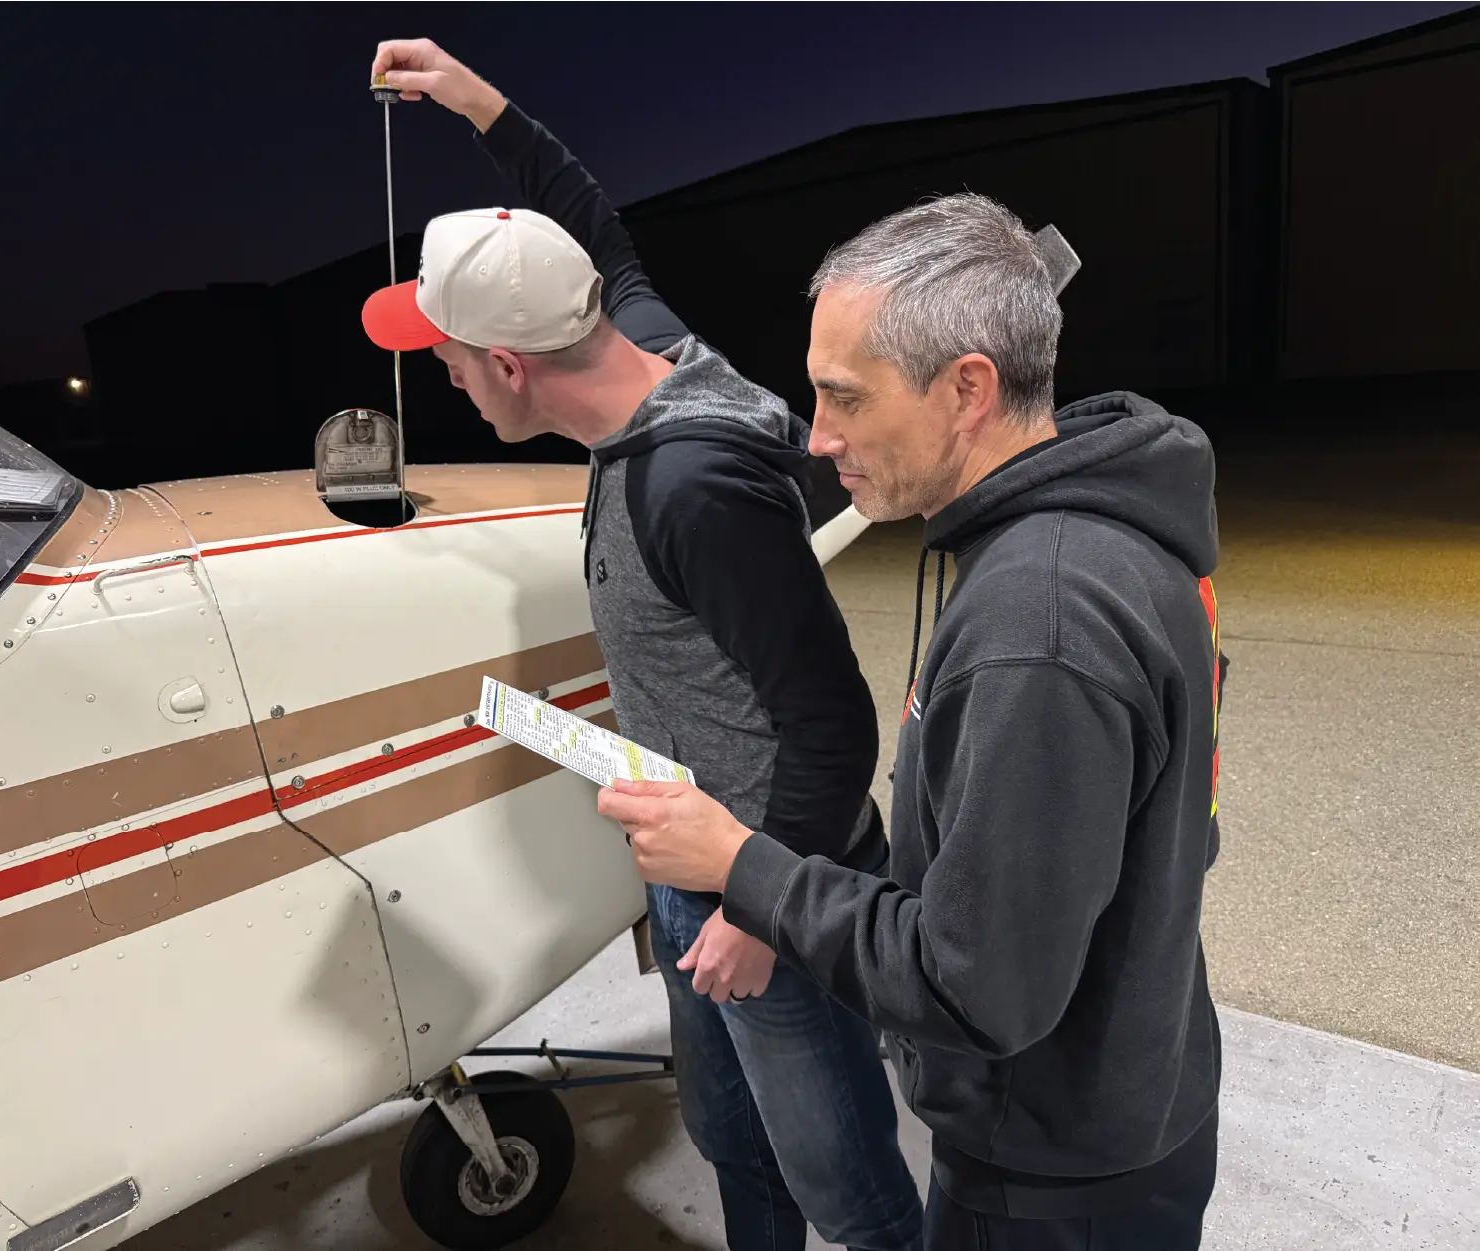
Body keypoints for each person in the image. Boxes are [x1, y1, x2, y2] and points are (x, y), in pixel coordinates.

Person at [363, 38, 927, 1251]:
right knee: (733, 1142)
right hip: (694, 868)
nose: (450, 383)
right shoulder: (654, 348)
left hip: (769, 888)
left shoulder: (692, 490)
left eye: (451, 362)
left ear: (510, 361)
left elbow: (830, 719)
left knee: (849, 1190)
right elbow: (592, 231)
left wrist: (757, 914)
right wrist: (475, 104)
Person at [601, 193, 1228, 1250]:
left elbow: (976, 991)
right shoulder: (1109, 536)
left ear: (966, 389)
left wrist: (739, 865)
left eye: (844, 397)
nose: (817, 436)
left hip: (1047, 1174)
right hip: (1131, 1095)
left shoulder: (1041, 620)